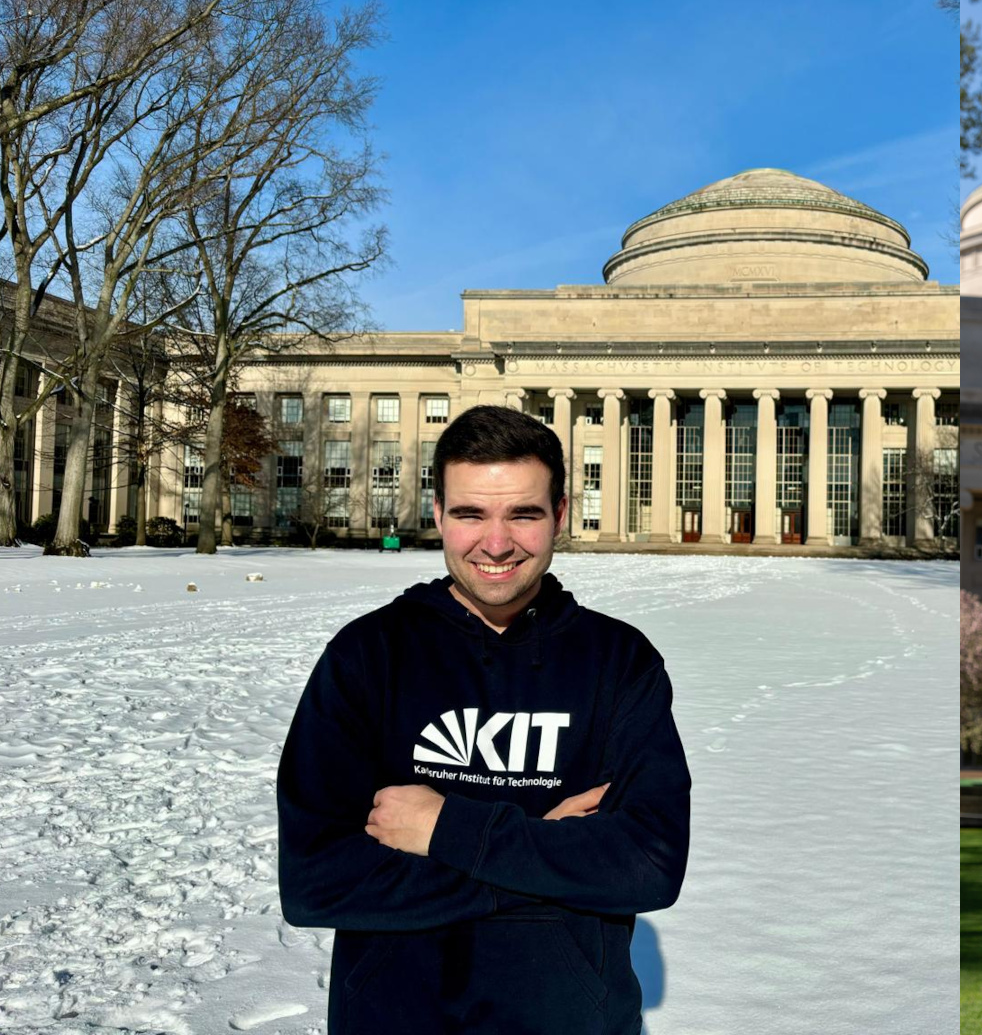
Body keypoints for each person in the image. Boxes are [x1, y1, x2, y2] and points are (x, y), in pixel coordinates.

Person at [277, 404, 691, 1033]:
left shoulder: (619, 662)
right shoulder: (368, 655)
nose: (495, 544)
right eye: (471, 513)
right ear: (438, 514)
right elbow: (317, 882)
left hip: (571, 1018)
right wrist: (547, 854)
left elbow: (648, 866)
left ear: (559, 516)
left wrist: (442, 828)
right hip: (395, 1015)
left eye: (522, 514)